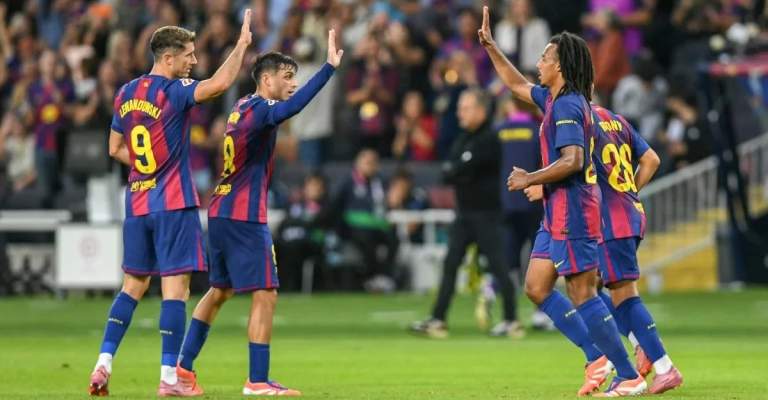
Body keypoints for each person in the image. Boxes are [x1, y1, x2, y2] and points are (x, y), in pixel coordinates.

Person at [478, 6, 645, 396]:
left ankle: (628, 373)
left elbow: (574, 160)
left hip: (574, 210)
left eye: (544, 57)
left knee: (582, 292)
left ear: (561, 66)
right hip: (556, 210)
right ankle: (597, 357)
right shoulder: (554, 100)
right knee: (536, 286)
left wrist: (530, 177)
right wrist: (490, 47)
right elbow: (516, 85)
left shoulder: (568, 105)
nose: (538, 63)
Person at [89, 12, 254, 397]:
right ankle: (169, 378)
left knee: (132, 287)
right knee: (175, 291)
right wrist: (242, 45)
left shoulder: (126, 93)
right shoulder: (174, 90)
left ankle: (103, 363)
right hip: (174, 203)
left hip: (137, 203)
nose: (193, 61)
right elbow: (220, 84)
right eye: (188, 55)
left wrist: (146, 167)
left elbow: (114, 148)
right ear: (168, 58)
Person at [176, 30, 343, 396]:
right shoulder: (263, 110)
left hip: (221, 209)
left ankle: (183, 369)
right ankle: (258, 380)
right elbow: (292, 109)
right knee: (266, 292)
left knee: (220, 290)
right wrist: (328, 68)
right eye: (287, 77)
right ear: (267, 80)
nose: (293, 83)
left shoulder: (242, 106)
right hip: (244, 216)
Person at [409, 87, 523, 339]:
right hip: (464, 213)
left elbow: (459, 169)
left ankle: (512, 319)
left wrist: (458, 169)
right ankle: (438, 319)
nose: (460, 113)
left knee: (499, 266)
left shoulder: (489, 139)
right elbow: (450, 172)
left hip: (487, 214)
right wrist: (459, 169)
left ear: (481, 111)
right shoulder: (463, 139)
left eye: (466, 108)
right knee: (450, 265)